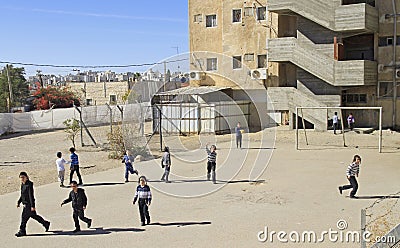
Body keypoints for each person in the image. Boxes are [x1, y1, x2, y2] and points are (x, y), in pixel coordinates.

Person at [15, 172, 50, 237]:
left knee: (24, 218)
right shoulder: (22, 184)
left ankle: (22, 231)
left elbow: (31, 196)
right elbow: (22, 194)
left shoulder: (29, 185)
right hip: (25, 204)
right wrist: (19, 202)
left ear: (26, 177)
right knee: (34, 216)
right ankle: (45, 223)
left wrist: (32, 206)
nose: (22, 179)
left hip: (28, 205)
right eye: (21, 177)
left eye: (23, 177)